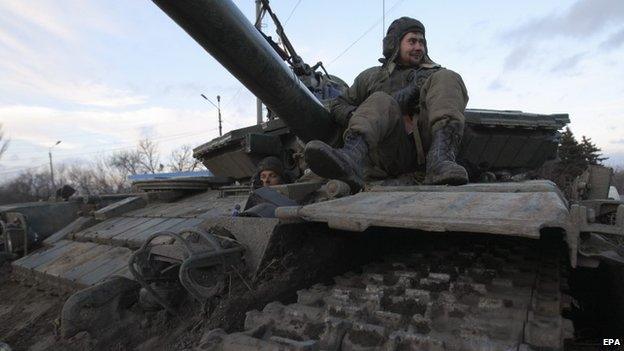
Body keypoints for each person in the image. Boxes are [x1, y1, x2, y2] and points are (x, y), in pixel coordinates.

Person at [304, 17, 469, 191]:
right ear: (395, 44)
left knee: (449, 77)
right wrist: (363, 116)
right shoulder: (372, 77)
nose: (419, 47)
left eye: (422, 42)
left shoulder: (435, 74)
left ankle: (441, 160)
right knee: (381, 99)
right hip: (389, 152)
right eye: (412, 41)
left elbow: (449, 103)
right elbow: (338, 105)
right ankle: (350, 157)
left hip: (428, 148)